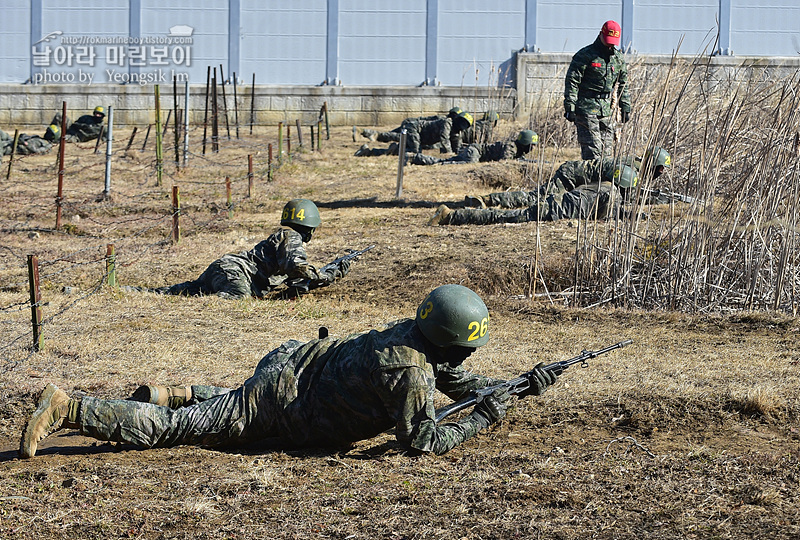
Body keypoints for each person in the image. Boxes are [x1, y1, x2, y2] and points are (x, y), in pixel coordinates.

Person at [19, 284, 559, 458]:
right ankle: (70, 407)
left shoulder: (411, 334)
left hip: (293, 366)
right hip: (284, 402)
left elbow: (454, 381)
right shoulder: (411, 373)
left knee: (220, 408)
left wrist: (515, 387)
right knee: (177, 433)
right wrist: (485, 415)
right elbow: (422, 441)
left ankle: (175, 392)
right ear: (448, 340)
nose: (467, 360)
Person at [125, 199, 351, 299]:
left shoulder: (285, 237)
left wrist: (324, 275)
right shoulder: (291, 237)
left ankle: (131, 291)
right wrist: (325, 275)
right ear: (310, 227)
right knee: (237, 298)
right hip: (235, 273)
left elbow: (293, 278)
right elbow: (295, 267)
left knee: (183, 291)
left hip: (227, 268)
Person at [428, 162, 638, 226]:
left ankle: (461, 211)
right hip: (551, 212)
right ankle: (450, 216)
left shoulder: (602, 185)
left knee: (504, 214)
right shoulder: (612, 195)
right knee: (499, 217)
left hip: (554, 203)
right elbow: (603, 220)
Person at [463, 146, 670, 210]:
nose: (660, 173)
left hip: (577, 177)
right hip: (571, 176)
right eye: (660, 168)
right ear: (653, 163)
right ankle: (488, 200)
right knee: (537, 199)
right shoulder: (630, 167)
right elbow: (622, 193)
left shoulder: (637, 165)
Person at [564, 20, 631, 160]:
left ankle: (603, 181)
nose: (610, 44)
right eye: (608, 40)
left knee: (606, 156)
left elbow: (623, 83)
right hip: (586, 109)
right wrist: (570, 106)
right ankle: (590, 182)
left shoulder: (618, 59)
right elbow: (572, 81)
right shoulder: (585, 55)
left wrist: (625, 106)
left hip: (605, 110)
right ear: (601, 34)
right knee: (593, 155)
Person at [357, 110, 474, 155]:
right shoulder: (447, 122)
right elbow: (444, 139)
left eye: (465, 125)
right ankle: (370, 134)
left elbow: (456, 146)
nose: (462, 126)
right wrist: (448, 152)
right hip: (415, 129)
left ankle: (369, 152)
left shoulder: (456, 132)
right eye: (461, 122)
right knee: (415, 153)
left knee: (403, 149)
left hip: (422, 137)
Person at [410, 130, 538, 166]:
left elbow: (519, 160)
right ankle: (440, 164)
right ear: (525, 142)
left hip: (475, 151)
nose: (532, 148)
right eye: (531, 145)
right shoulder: (511, 147)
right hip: (476, 151)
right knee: (468, 163)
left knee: (443, 161)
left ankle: (419, 159)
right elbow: (505, 162)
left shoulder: (518, 149)